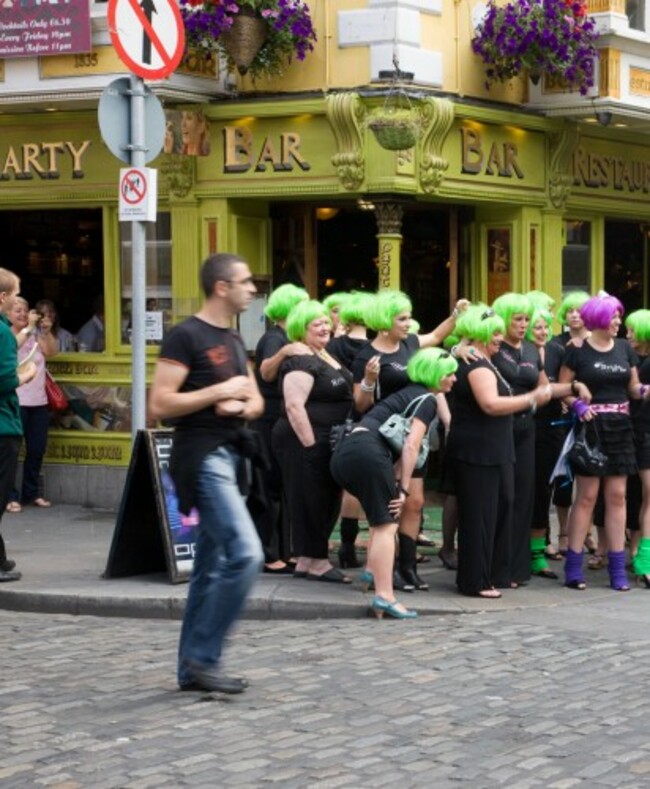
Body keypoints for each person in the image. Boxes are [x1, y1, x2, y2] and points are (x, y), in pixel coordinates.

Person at [148, 252, 265, 694]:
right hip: (201, 458)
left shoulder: (234, 340)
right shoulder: (186, 337)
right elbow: (160, 404)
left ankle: (190, 669)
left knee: (209, 566)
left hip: (233, 457)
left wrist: (239, 404)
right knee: (246, 553)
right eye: (245, 281)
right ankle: (203, 657)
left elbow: (255, 401)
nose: (252, 289)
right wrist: (219, 392)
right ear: (222, 287)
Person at [352, 289, 468, 592]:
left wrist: (456, 315)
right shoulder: (367, 355)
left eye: (408, 317)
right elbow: (360, 404)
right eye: (402, 318)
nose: (408, 323)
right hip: (384, 436)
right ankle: (383, 569)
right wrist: (368, 380)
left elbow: (436, 336)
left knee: (414, 501)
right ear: (384, 321)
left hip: (415, 432)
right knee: (390, 504)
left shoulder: (410, 343)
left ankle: (407, 567)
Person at [331, 348, 458, 619]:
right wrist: (403, 488)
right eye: (450, 374)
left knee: (379, 520)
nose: (454, 379)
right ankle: (385, 596)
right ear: (435, 374)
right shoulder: (428, 399)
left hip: (345, 451)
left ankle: (371, 573)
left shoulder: (406, 393)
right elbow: (411, 446)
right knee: (388, 524)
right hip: (368, 453)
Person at [446, 306, 551, 598]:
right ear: (479, 334)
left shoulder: (484, 360)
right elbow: (490, 404)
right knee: (479, 514)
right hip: (478, 449)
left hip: (492, 448)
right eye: (493, 332)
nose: (499, 337)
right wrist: (529, 399)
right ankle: (475, 580)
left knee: (496, 509)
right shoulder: (476, 363)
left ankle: (491, 574)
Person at [560, 292, 647, 592]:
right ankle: (573, 567)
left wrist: (645, 390)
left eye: (619, 317)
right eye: (614, 317)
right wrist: (577, 405)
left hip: (621, 427)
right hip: (592, 428)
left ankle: (617, 570)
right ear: (598, 318)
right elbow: (564, 389)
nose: (619, 322)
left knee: (618, 496)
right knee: (586, 497)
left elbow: (633, 388)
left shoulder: (624, 349)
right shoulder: (577, 351)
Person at [271, 299, 354, 583]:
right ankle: (317, 560)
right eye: (315, 324)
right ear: (300, 329)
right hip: (304, 440)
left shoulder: (324, 354)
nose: (324, 327)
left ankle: (306, 559)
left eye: (324, 322)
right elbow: (294, 406)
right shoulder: (302, 359)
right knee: (312, 499)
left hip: (325, 439)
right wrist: (311, 445)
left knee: (323, 498)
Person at [252, 282, 309, 574]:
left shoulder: (288, 337)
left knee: (281, 489)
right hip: (268, 420)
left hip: (277, 420)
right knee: (269, 488)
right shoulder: (275, 339)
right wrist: (286, 351)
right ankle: (268, 552)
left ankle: (283, 551)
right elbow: (266, 370)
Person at [0, 268, 37, 582]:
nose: (17, 301)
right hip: (3, 425)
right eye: (14, 295)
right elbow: (3, 379)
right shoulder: (1, 333)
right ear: (2, 297)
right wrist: (26, 376)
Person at [6, 297, 58, 511]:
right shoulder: (7, 333)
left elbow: (52, 352)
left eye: (25, 310)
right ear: (7, 314)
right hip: (16, 400)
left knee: (36, 449)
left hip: (38, 401)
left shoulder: (36, 334)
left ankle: (31, 492)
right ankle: (10, 496)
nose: (22, 313)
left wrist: (45, 330)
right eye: (16, 310)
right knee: (12, 451)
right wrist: (27, 328)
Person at [628, 310, 650, 586]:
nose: (628, 335)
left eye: (633, 330)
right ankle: (644, 560)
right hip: (644, 433)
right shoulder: (641, 365)